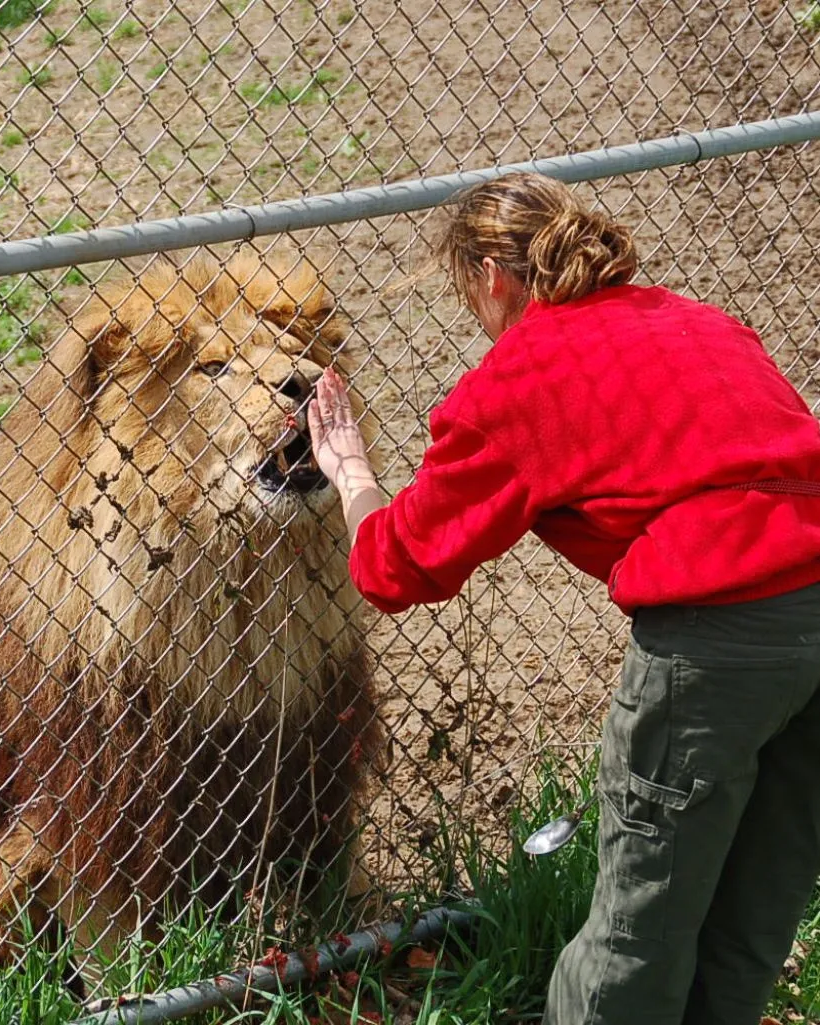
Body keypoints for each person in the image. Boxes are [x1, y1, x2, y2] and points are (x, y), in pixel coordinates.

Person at [306, 169, 820, 1025]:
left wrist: (352, 473)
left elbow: (396, 569)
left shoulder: (520, 377)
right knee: (759, 896)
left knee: (638, 927)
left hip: (716, 641)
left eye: (464, 292)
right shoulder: (696, 320)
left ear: (491, 277)